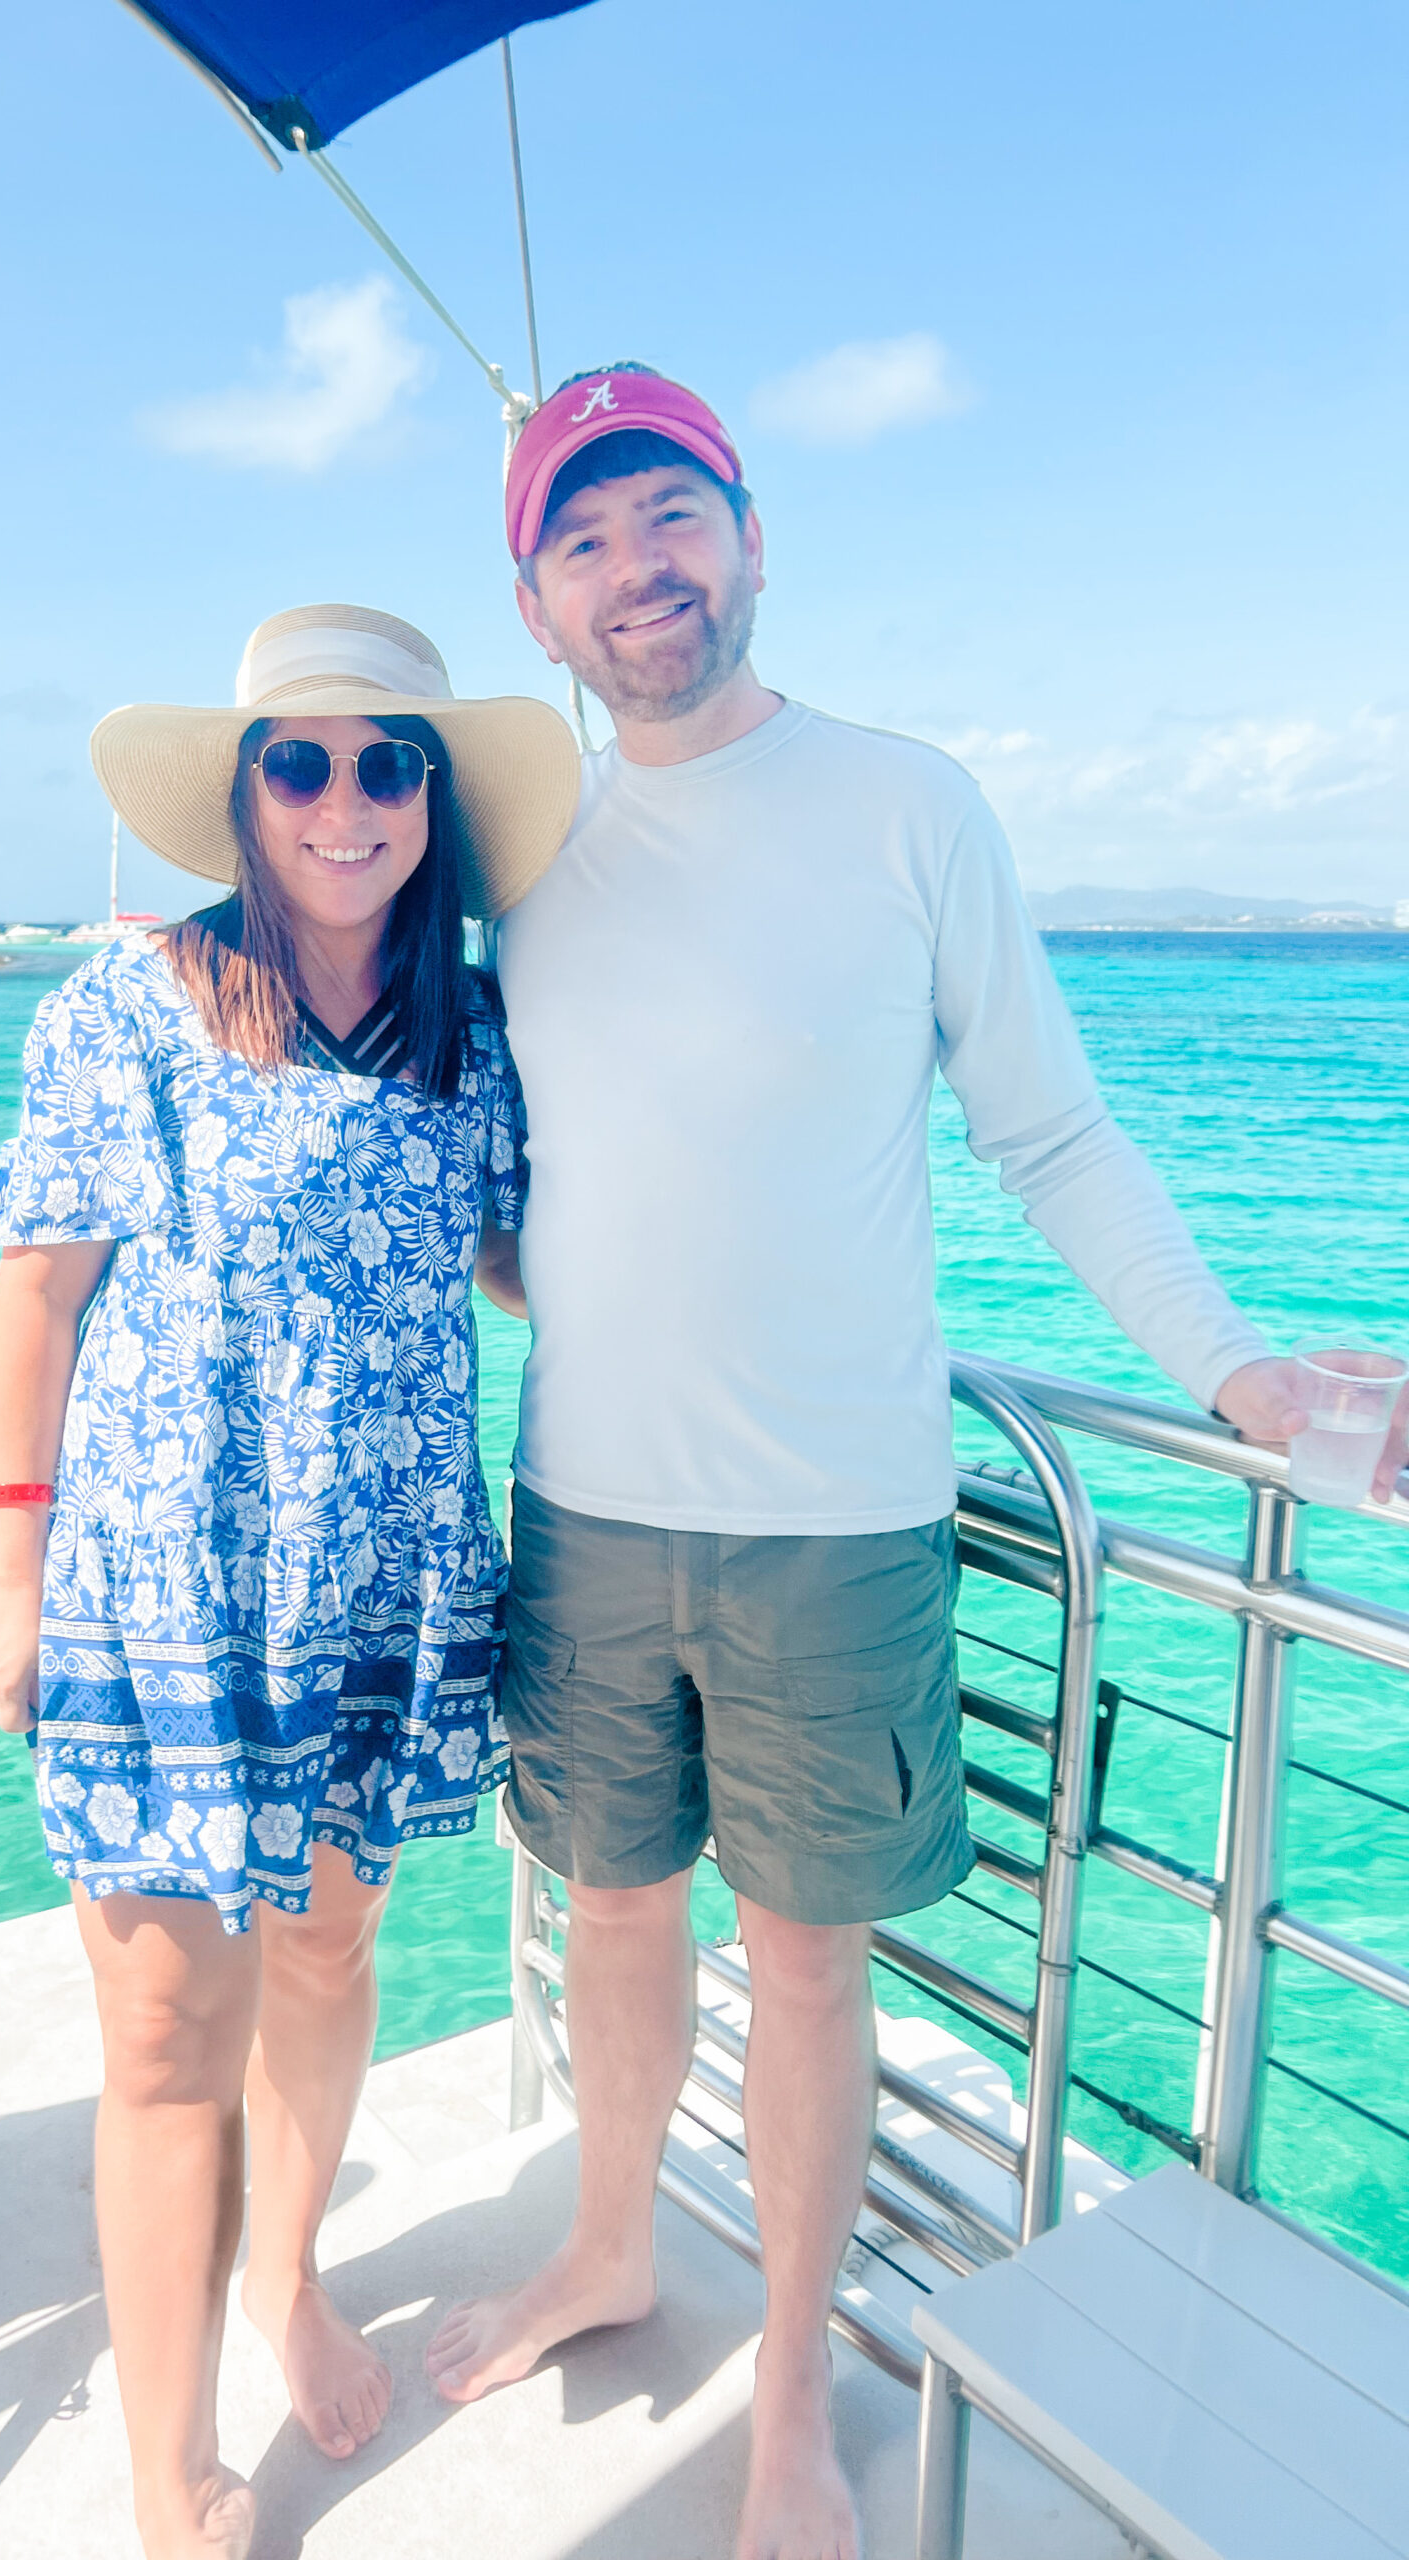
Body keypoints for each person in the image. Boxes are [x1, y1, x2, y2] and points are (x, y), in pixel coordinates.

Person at [423, 367, 1409, 2560]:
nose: (635, 569)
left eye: (667, 513)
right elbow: (483, 1120)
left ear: (752, 534)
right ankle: (607, 2245)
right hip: (583, 1495)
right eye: (580, 543)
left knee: (803, 1965)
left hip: (835, 1517)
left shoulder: (906, 802)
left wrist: (1236, 1368)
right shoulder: (525, 850)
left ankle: (787, 2393)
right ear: (535, 608)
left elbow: (1047, 1129)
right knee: (601, 1907)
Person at [0, 604, 577, 2560]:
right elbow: (34, 1294)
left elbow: (522, 1259)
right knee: (158, 2037)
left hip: (383, 1586)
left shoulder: (480, 1021)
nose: (341, 799)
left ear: (433, 797)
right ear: (240, 792)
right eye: (295, 761)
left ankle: (283, 2267)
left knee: (322, 1948)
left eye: (386, 761)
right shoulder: (130, 994)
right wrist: (3, 1566)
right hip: (163, 1582)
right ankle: (168, 2471)